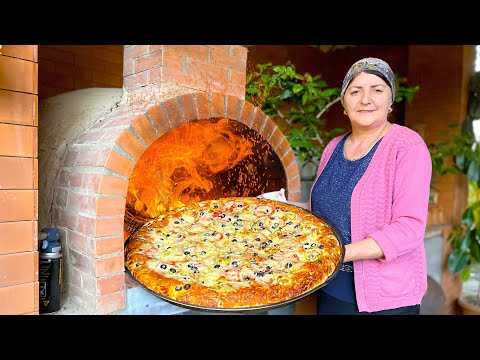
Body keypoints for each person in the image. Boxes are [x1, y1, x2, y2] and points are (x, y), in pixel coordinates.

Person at [292, 57, 432, 314]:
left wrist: (338, 253)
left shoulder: (408, 147)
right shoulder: (333, 146)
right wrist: (282, 208)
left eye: (377, 90)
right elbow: (328, 209)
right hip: (330, 285)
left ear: (390, 101)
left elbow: (409, 228)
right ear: (344, 104)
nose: (365, 99)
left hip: (384, 298)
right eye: (355, 91)